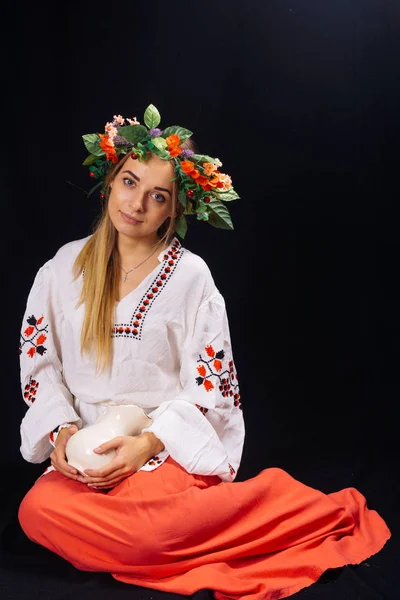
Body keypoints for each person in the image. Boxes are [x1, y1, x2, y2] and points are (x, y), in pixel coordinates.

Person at [17, 104, 391, 600]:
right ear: (109, 181)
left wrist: (144, 447)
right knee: (34, 512)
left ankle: (270, 506)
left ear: (174, 209)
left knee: (150, 530)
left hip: (160, 452)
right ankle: (162, 539)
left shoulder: (192, 278)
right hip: (87, 454)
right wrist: (62, 431)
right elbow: (40, 364)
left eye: (157, 196)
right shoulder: (62, 269)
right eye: (129, 183)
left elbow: (210, 387)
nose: (137, 204)